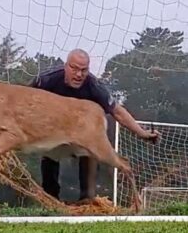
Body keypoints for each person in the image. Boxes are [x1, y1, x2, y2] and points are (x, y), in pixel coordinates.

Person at [29, 48, 159, 201]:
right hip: (53, 134)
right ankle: (50, 202)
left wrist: (142, 133)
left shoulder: (93, 86)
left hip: (80, 135)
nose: (78, 75)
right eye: (74, 68)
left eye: (83, 70)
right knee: (48, 154)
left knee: (91, 150)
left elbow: (117, 111)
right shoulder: (46, 80)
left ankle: (87, 201)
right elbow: (21, 99)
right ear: (66, 66)